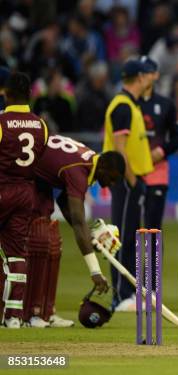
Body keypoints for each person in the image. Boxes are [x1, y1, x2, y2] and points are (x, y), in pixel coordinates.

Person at [24, 136, 125, 328]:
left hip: (39, 179)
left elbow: (63, 201)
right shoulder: (79, 170)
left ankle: (46, 313)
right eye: (112, 178)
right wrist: (95, 271)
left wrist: (89, 237)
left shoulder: (88, 162)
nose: (111, 185)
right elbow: (78, 221)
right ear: (102, 166)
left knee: (50, 247)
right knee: (40, 244)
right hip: (23, 177)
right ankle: (30, 314)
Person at [102, 59, 155, 310]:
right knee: (121, 236)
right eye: (149, 76)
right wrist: (134, 182)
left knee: (129, 235)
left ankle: (127, 293)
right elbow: (120, 149)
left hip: (129, 180)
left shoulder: (128, 104)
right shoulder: (123, 106)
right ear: (141, 77)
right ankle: (121, 295)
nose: (152, 80)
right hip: (124, 180)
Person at [0, 72, 48, 328]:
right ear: (30, 94)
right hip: (25, 193)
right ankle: (14, 317)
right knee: (18, 253)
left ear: (5, 93)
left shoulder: (1, 122)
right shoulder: (41, 125)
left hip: (2, 187)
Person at [138, 56, 178, 287]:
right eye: (141, 73)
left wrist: (162, 151)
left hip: (156, 174)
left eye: (148, 73)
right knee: (129, 230)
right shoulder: (128, 103)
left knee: (153, 228)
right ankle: (128, 286)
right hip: (133, 174)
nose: (145, 77)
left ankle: (151, 285)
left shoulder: (165, 104)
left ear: (155, 75)